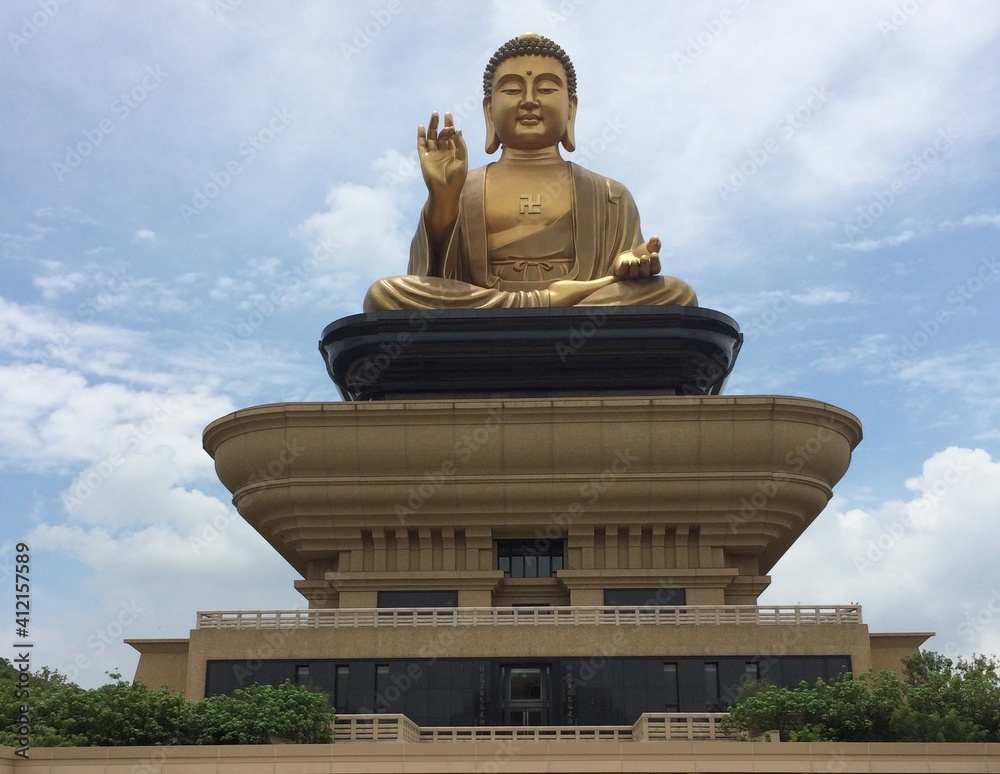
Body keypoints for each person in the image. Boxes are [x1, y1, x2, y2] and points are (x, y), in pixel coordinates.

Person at [364, 33, 698, 311]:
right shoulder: (465, 187)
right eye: (511, 89)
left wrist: (630, 262)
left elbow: (627, 263)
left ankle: (548, 311)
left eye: (547, 88)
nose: (528, 100)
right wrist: (443, 199)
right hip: (490, 307)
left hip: (581, 306)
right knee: (386, 295)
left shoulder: (609, 194)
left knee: (676, 296)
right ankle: (549, 307)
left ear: (571, 108)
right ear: (488, 111)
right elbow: (430, 274)